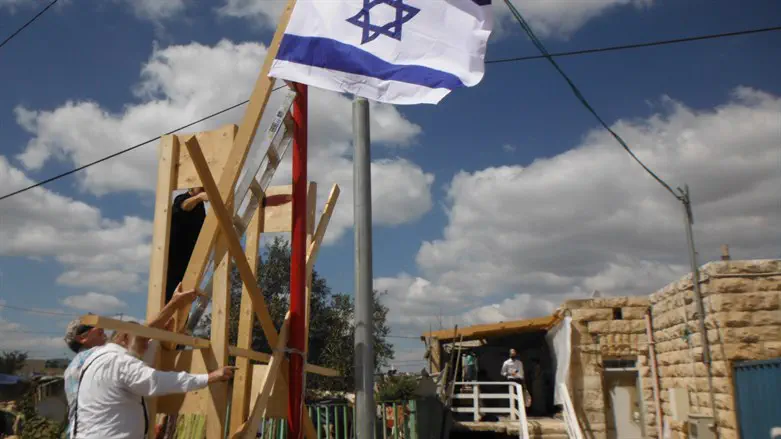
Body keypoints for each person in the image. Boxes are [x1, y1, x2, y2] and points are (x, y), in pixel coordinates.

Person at [62, 285, 199, 438]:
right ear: (82, 338)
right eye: (93, 326)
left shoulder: (77, 365)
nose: (101, 328)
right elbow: (138, 337)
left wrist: (155, 337)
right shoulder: (92, 357)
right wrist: (174, 304)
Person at [72, 320, 234, 438]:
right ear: (124, 339)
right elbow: (156, 380)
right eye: (143, 339)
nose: (147, 345)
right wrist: (209, 377)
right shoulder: (119, 362)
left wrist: (161, 333)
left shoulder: (101, 359)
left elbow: (143, 361)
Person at [165, 187, 208, 303]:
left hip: (188, 259)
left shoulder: (200, 208)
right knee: (169, 294)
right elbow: (184, 206)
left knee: (184, 295)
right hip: (174, 257)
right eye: (201, 187)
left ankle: (182, 320)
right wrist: (199, 198)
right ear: (192, 186)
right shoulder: (182, 198)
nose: (203, 189)